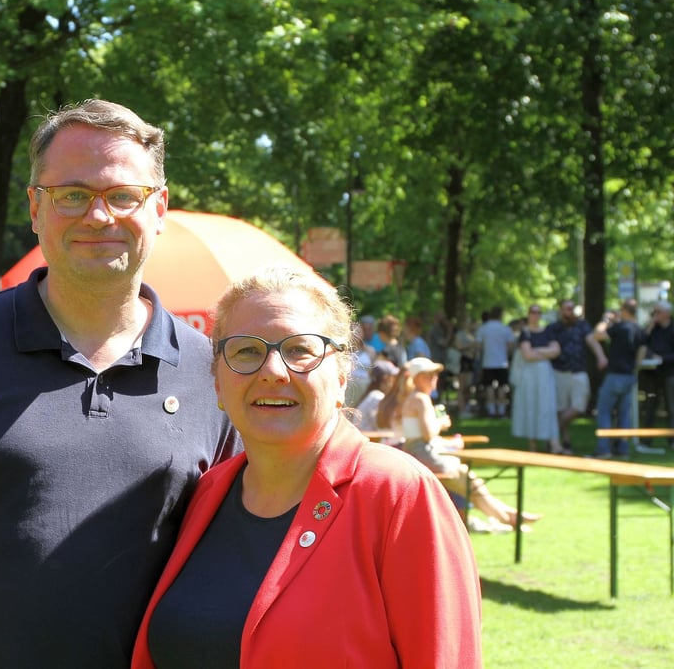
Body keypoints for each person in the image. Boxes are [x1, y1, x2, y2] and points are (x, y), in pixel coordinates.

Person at [0, 99, 239, 668]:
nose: (98, 216)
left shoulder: (213, 372)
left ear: (159, 208)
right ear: (35, 208)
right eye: (72, 194)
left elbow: (237, 563)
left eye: (123, 195)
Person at [130, 266, 482, 668]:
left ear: (342, 375)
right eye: (247, 351)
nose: (273, 371)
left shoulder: (398, 495)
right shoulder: (208, 493)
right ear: (217, 382)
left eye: (299, 349)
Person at [380, 356, 541, 531]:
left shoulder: (414, 397)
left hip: (421, 454)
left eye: (434, 375)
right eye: (429, 375)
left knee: (472, 484)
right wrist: (441, 423)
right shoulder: (420, 399)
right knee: (472, 487)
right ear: (418, 378)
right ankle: (511, 519)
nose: (434, 379)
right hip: (424, 456)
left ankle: (512, 516)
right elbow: (428, 434)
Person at [545, 299, 607, 452]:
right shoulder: (553, 328)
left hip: (578, 371)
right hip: (559, 372)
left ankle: (552, 433)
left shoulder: (582, 325)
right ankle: (565, 442)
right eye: (567, 309)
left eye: (572, 308)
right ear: (561, 310)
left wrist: (601, 356)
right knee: (561, 408)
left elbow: (592, 341)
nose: (570, 311)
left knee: (579, 406)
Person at [592, 300, 647, 458]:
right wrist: (634, 368)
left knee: (604, 411)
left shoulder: (621, 327)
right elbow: (642, 352)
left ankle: (603, 449)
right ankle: (623, 449)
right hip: (630, 376)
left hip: (615, 375)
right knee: (624, 415)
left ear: (624, 310)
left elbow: (597, 334)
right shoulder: (639, 330)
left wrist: (605, 320)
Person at [510, 305, 563, 453]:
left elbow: (556, 351)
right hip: (530, 375)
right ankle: (532, 443)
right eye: (533, 312)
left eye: (538, 312)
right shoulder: (525, 333)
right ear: (528, 314)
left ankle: (553, 443)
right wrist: (546, 353)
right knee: (531, 404)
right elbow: (528, 355)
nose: (535, 315)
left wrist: (538, 350)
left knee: (547, 405)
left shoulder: (547, 332)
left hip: (545, 374)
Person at [642, 300, 674, 447]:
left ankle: (672, 440)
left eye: (658, 312)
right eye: (653, 312)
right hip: (652, 374)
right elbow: (642, 343)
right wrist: (650, 326)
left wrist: (662, 358)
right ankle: (646, 440)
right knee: (650, 406)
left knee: (671, 408)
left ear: (667, 313)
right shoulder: (653, 328)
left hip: (670, 373)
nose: (655, 315)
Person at [475, 306, 515, 418]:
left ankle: (491, 410)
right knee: (502, 387)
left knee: (489, 387)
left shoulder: (483, 328)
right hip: (502, 362)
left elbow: (478, 345)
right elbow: (511, 346)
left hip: (487, 362)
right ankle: (501, 410)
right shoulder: (505, 329)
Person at [353, 359, 400, 437]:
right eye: (393, 377)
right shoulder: (377, 398)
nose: (395, 381)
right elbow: (381, 428)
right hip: (368, 440)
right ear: (386, 378)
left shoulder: (371, 395)